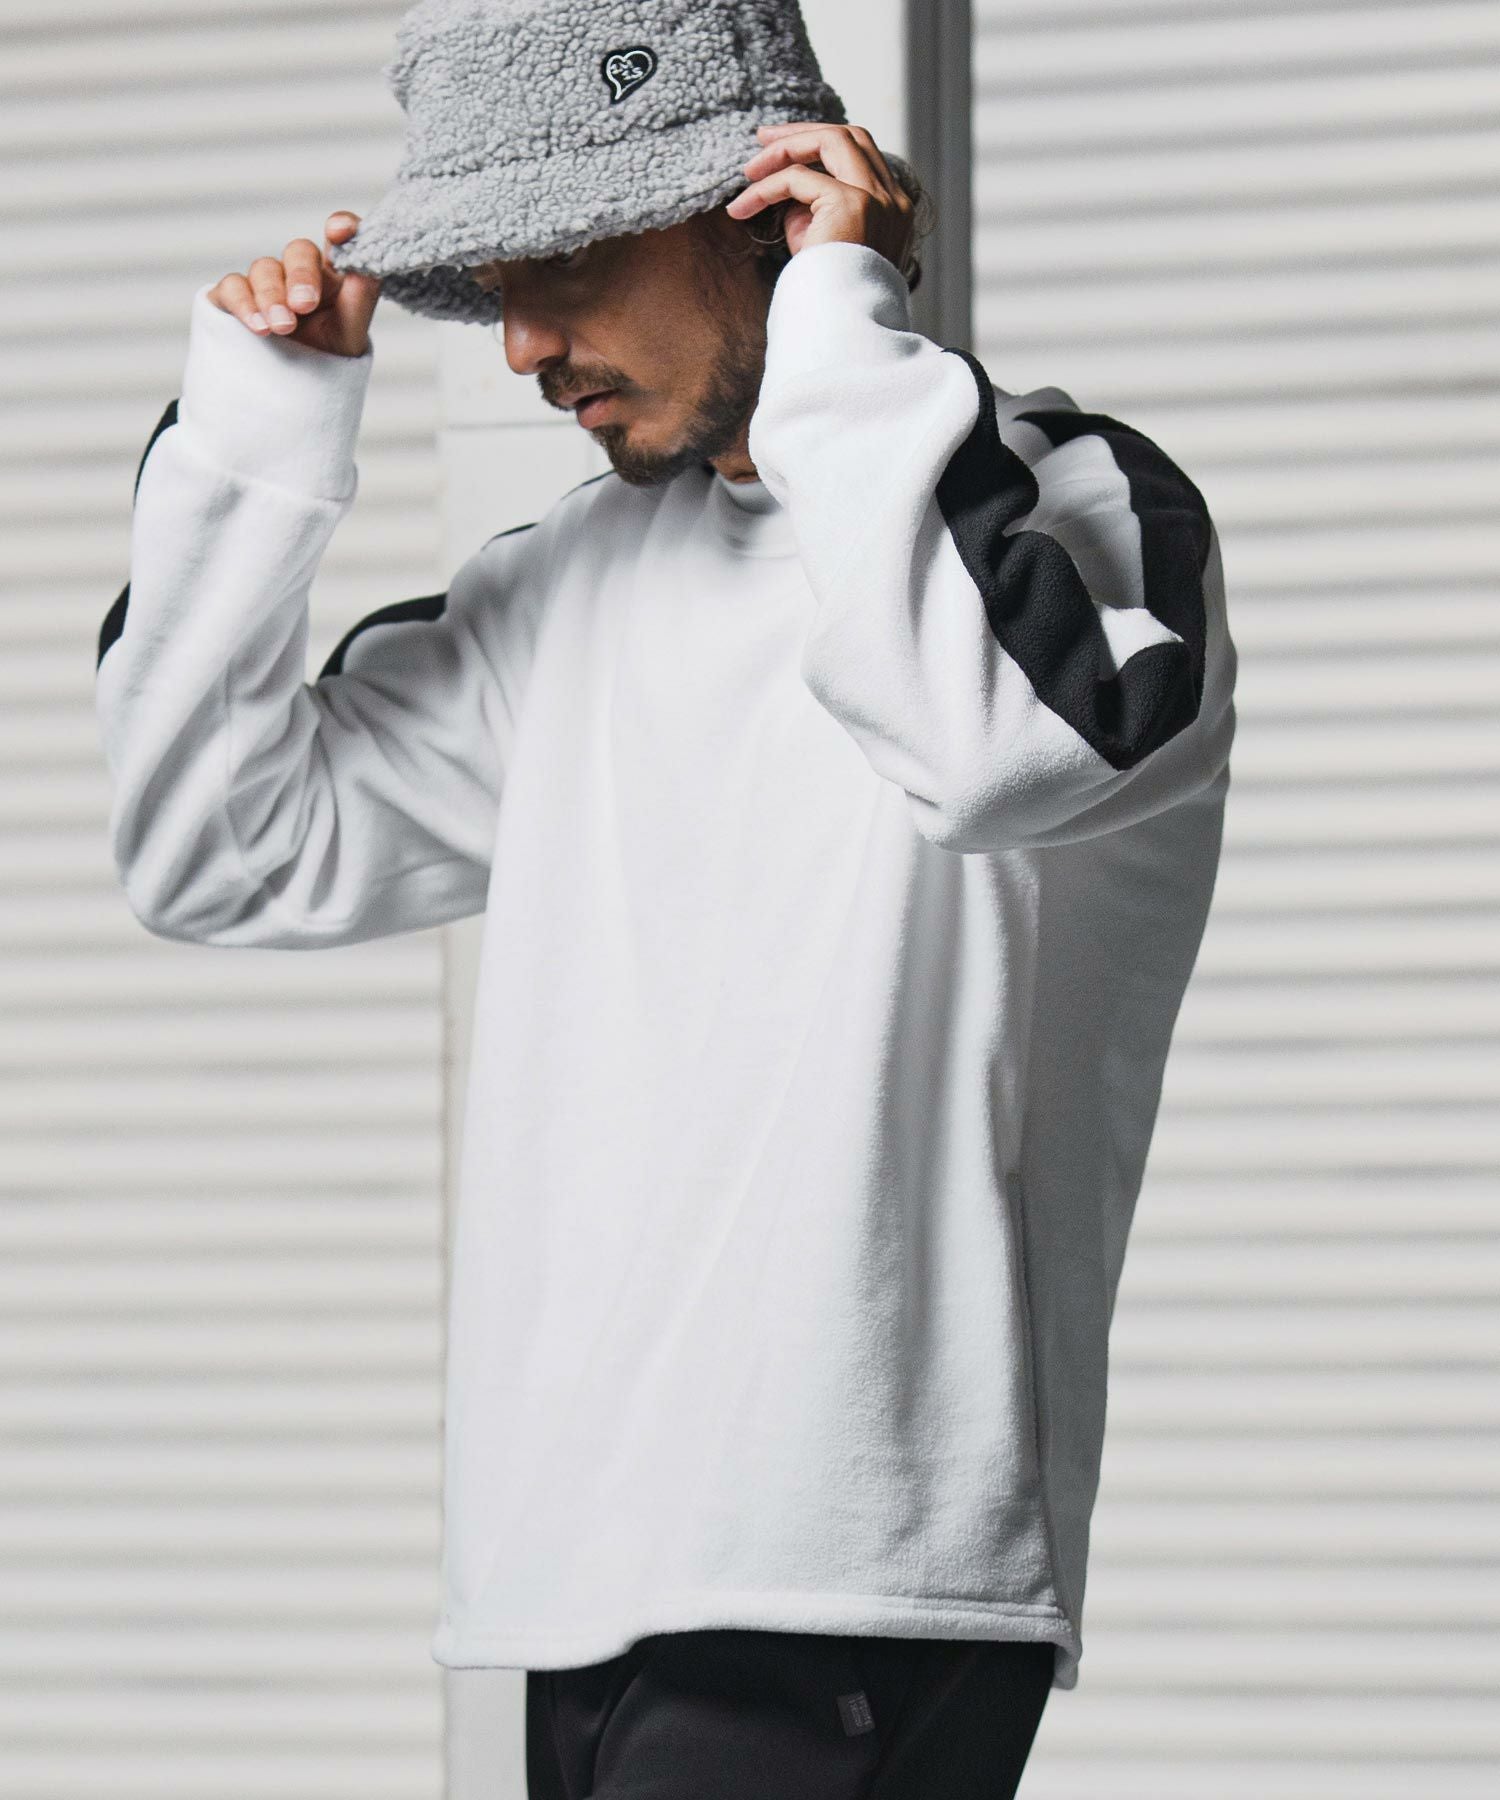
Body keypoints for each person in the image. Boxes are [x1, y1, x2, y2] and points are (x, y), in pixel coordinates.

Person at [94, 1, 1237, 1793]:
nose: (523, 344)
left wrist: (844, 330)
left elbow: (996, 753)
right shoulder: (570, 583)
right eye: (492, 283)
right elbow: (214, 849)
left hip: (850, 1570)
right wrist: (260, 440)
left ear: (766, 209)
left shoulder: (1073, 511)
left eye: (561, 261)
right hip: (576, 1576)